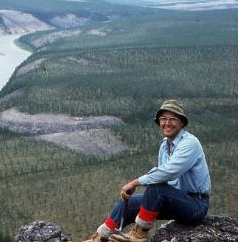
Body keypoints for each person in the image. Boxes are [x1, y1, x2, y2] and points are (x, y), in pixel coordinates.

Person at [83, 99, 211, 242]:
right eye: (163, 119)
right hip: (175, 201)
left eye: (172, 119)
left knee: (157, 187)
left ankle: (139, 234)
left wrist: (134, 183)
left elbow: (168, 173)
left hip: (196, 205)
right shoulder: (165, 145)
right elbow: (163, 176)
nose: (166, 123)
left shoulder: (190, 143)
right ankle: (101, 237)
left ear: (182, 123)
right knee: (129, 202)